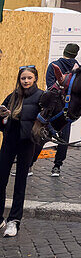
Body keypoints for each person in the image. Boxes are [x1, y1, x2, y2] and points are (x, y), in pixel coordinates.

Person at [1, 66, 44, 236]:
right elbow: (1, 123)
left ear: (35, 79)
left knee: (20, 183)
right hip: (9, 141)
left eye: (29, 78)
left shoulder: (41, 97)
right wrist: (3, 118)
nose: (25, 81)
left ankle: (14, 221)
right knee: (1, 180)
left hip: (27, 143)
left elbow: (45, 121)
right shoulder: (12, 96)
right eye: (23, 78)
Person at [45, 42, 81, 176]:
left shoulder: (53, 65)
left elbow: (50, 87)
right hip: (67, 108)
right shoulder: (78, 68)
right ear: (75, 54)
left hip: (52, 107)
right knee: (64, 137)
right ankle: (57, 166)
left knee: (41, 135)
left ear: (64, 52)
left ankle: (29, 165)